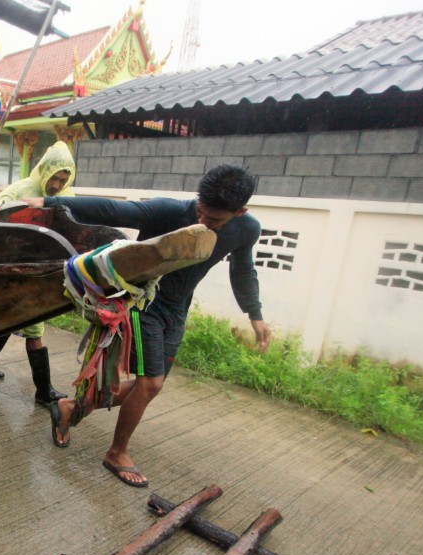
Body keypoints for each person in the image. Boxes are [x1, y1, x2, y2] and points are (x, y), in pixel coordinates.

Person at [30, 164, 272, 487]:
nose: (203, 223)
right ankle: (117, 453)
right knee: (150, 384)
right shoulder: (170, 211)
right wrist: (48, 203)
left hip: (178, 310)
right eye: (201, 211)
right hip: (144, 302)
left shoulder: (246, 229)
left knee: (145, 388)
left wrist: (255, 315)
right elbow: (115, 209)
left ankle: (69, 408)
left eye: (215, 220)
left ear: (239, 212)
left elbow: (243, 269)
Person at [0, 141, 77, 405]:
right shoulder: (20, 190)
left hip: (42, 270)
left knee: (13, 318)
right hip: (15, 267)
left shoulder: (67, 198)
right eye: (54, 178)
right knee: (34, 328)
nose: (57, 185)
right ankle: (44, 391)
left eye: (63, 179)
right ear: (44, 171)